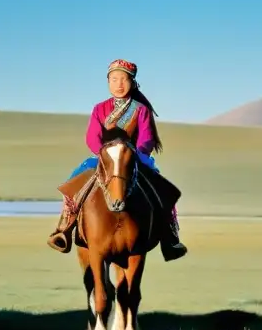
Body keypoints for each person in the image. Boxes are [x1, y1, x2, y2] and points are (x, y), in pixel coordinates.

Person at [47, 58, 187, 261]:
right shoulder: (99, 109)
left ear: (133, 82)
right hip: (105, 158)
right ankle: (64, 228)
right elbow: (92, 137)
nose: (118, 84)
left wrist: (132, 155)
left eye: (123, 79)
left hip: (135, 158)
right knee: (75, 178)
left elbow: (146, 138)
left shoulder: (141, 109)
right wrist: (105, 156)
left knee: (162, 187)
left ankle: (170, 235)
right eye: (113, 79)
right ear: (108, 82)